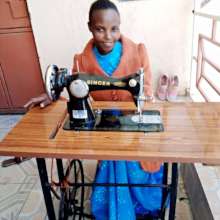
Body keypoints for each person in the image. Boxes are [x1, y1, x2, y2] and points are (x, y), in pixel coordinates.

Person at [23, 0, 164, 219]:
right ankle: (117, 210)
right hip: (104, 127)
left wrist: (144, 100)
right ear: (90, 27)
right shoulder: (80, 62)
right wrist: (52, 94)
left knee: (140, 160)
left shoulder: (138, 52)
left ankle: (140, 207)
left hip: (129, 123)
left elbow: (144, 90)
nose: (108, 36)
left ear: (120, 26)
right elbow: (73, 88)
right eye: (100, 29)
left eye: (114, 29)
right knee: (113, 160)